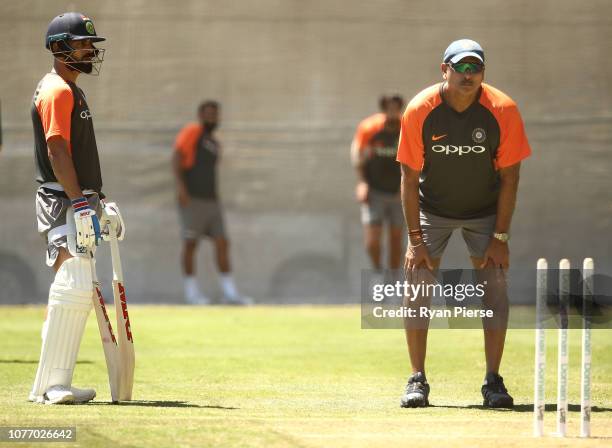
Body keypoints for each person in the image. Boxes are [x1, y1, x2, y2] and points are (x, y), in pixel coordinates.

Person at [396, 39, 531, 408]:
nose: (468, 75)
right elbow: (408, 178)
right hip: (432, 207)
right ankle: (417, 379)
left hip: (484, 210)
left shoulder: (503, 109)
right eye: (461, 68)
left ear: (483, 73)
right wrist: (415, 239)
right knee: (418, 284)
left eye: (476, 68)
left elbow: (510, 178)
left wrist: (500, 236)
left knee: (494, 287)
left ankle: (493, 381)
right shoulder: (420, 110)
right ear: (445, 70)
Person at [29, 12, 120, 405]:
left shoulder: (69, 89)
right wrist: (80, 201)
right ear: (58, 48)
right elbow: (57, 149)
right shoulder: (57, 91)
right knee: (73, 283)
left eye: (89, 44)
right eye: (82, 43)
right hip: (60, 198)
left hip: (76, 198)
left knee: (75, 291)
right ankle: (50, 387)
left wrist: (95, 202)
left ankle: (53, 384)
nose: (89, 50)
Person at [173, 101, 251, 305]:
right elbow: (176, 157)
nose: (212, 118)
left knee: (222, 242)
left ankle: (230, 293)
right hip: (193, 199)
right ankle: (191, 294)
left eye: (215, 114)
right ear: (200, 115)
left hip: (212, 201)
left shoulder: (214, 143)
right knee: (191, 243)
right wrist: (182, 190)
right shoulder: (192, 132)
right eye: (208, 114)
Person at [351, 95, 405, 281]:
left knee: (396, 240)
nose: (392, 112)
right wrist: (362, 182)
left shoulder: (407, 128)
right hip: (375, 192)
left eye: (395, 108)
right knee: (372, 241)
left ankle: (393, 280)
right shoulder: (370, 128)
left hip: (399, 193)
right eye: (388, 108)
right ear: (383, 109)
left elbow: (419, 159)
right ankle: (377, 271)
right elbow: (357, 154)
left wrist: (410, 187)